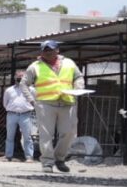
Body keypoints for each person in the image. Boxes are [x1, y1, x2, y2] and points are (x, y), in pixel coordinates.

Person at [22, 40, 83, 172]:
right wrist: (32, 100)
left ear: (58, 50)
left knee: (69, 133)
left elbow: (78, 77)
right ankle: (47, 162)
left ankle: (59, 158)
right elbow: (24, 84)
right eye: (45, 50)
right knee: (46, 135)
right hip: (45, 104)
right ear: (41, 52)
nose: (48, 52)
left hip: (67, 102)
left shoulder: (69, 63)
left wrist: (78, 88)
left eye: (51, 49)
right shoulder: (35, 66)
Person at [2, 69, 36, 162]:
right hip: (12, 114)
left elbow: (35, 101)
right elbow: (5, 103)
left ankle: (29, 157)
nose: (20, 79)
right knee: (10, 136)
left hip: (26, 115)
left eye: (22, 77)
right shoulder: (9, 90)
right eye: (18, 77)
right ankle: (8, 156)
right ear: (14, 78)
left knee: (27, 136)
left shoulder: (31, 90)